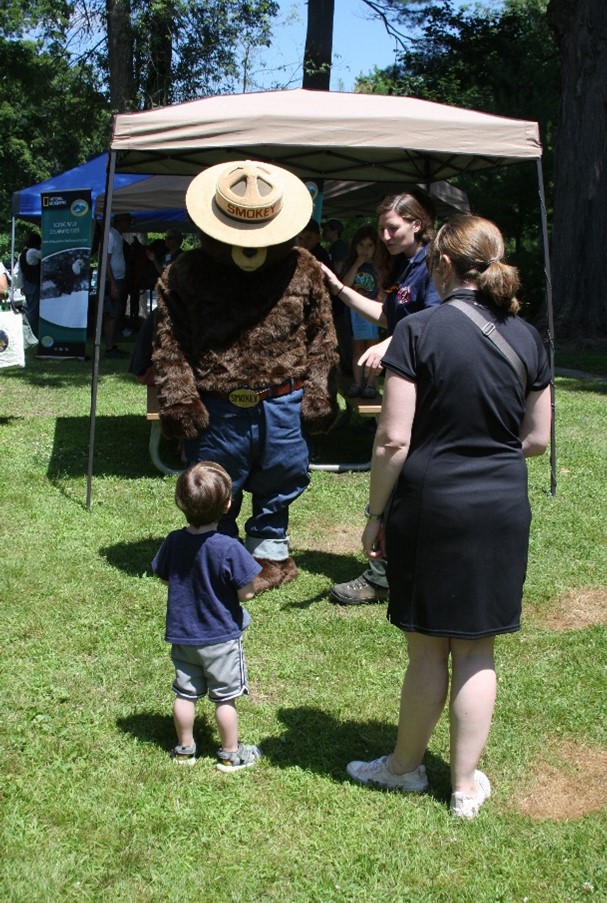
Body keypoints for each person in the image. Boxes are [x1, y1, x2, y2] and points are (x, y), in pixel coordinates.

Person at [345, 214, 552, 818]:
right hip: (501, 504)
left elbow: (391, 441)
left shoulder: (417, 332)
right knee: (477, 650)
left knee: (427, 651)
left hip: (429, 504)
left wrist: (373, 513)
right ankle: (464, 787)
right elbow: (537, 440)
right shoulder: (529, 338)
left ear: (439, 263)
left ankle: (404, 769)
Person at [322, 190, 440, 605]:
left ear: (417, 224)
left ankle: (383, 576)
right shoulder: (406, 267)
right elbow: (386, 314)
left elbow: (437, 322)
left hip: (424, 388)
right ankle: (398, 570)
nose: (386, 235)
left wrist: (391, 344)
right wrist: (337, 287)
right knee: (406, 475)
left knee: (400, 470)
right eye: (382, 228)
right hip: (406, 382)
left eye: (393, 227)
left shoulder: (433, 267)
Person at [152, 460, 263, 771]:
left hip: (183, 634)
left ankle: (184, 749)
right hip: (221, 639)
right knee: (224, 700)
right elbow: (247, 593)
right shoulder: (229, 548)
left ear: (180, 503)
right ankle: (230, 753)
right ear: (228, 505)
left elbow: (164, 577)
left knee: (184, 694)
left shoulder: (174, 540)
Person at [341, 224, 387, 398]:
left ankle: (370, 385)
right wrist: (357, 264)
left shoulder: (379, 266)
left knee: (373, 349)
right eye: (361, 245)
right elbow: (344, 285)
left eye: (370, 245)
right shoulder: (352, 265)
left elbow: (384, 289)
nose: (365, 250)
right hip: (355, 316)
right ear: (354, 247)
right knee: (357, 349)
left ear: (376, 248)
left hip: (374, 315)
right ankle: (357, 383)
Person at [103, 213, 132, 358]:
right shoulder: (110, 235)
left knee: (115, 314)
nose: (129, 224)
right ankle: (109, 348)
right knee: (111, 315)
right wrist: (113, 283)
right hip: (112, 281)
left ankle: (112, 345)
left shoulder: (117, 236)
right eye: (128, 221)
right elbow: (105, 261)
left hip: (118, 279)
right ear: (120, 222)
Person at [19, 232, 42, 337]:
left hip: (27, 284)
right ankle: (30, 334)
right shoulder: (33, 252)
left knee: (30, 308)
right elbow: (45, 256)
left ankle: (31, 332)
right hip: (34, 284)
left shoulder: (22, 254)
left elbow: (19, 272)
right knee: (33, 311)